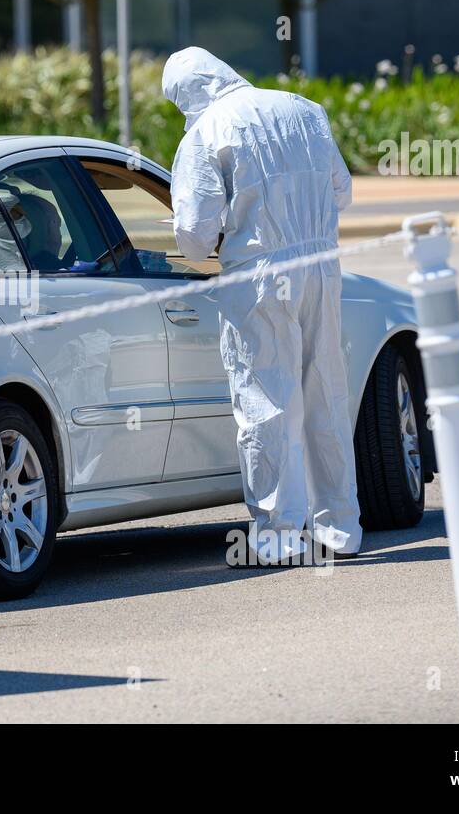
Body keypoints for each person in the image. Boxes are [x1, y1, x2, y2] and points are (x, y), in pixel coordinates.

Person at [162, 47, 362, 565]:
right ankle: (340, 529)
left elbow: (193, 231)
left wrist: (211, 242)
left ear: (187, 93)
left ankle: (277, 536)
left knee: (266, 404)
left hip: (259, 276)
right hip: (321, 265)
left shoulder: (206, 130)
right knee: (326, 393)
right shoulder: (302, 108)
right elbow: (342, 191)